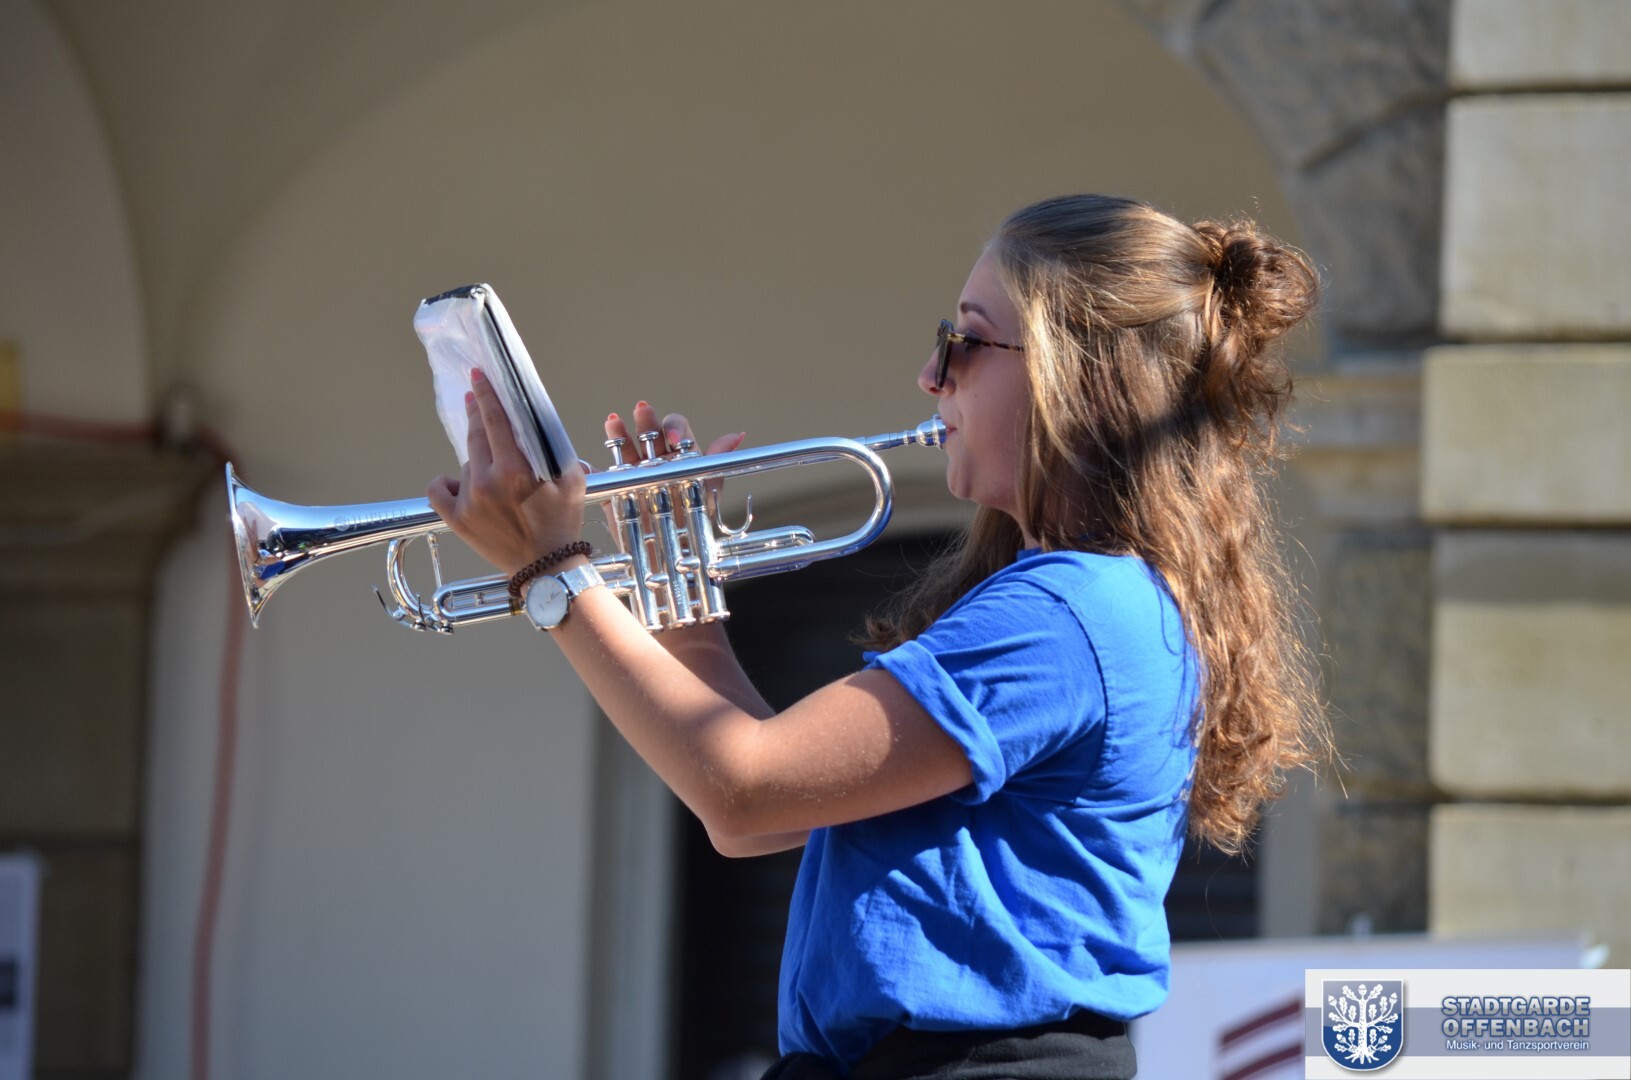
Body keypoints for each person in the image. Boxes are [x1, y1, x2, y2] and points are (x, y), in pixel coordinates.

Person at [426, 193, 1329, 1079]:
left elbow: (743, 791)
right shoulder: (1083, 602)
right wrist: (683, 601)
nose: (932, 376)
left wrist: (550, 572)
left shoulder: (1066, 613)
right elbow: (758, 816)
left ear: (1077, 375)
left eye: (965, 341)